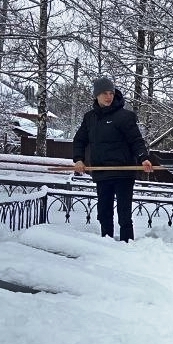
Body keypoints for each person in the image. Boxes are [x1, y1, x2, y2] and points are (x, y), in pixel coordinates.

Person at [72, 76, 154, 241]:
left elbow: (136, 140)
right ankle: (106, 245)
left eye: (111, 93)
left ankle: (127, 246)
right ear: (96, 95)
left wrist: (143, 158)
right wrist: (79, 160)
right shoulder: (90, 118)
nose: (109, 96)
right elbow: (79, 140)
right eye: (104, 93)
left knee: (124, 215)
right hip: (102, 173)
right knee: (104, 214)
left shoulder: (125, 116)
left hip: (123, 172)